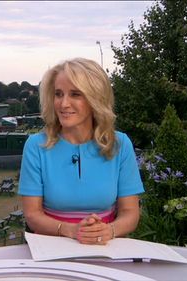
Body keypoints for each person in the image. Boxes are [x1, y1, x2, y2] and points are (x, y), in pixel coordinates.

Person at [19, 58, 144, 245]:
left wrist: (107, 230)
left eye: (75, 94)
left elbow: (130, 213)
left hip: (106, 246)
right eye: (58, 94)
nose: (63, 104)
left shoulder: (120, 144)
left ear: (95, 99)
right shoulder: (36, 146)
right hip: (50, 247)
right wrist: (71, 230)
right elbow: (32, 215)